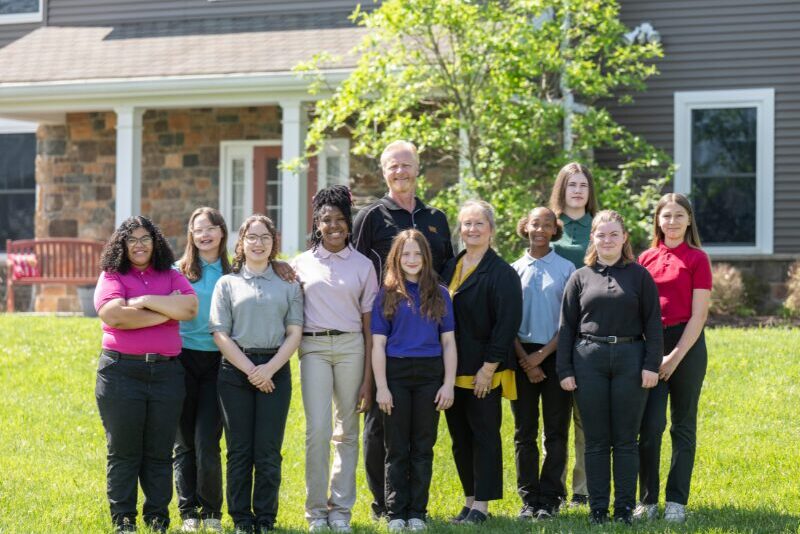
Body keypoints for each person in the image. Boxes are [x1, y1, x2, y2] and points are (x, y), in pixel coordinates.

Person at [352, 140, 454, 520]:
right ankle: (385, 504)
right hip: (381, 330)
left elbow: (446, 268)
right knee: (381, 424)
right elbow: (354, 267)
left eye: (406, 165)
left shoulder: (436, 217)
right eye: (393, 166)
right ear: (384, 172)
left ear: (417, 168)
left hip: (426, 334)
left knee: (419, 434)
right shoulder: (371, 216)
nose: (400, 172)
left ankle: (414, 504)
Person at [556, 209, 662, 525]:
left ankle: (624, 509)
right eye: (601, 234)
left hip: (631, 358)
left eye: (614, 234)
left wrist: (650, 365)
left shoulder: (640, 276)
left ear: (624, 237)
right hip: (589, 359)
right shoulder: (580, 277)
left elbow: (653, 324)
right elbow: (566, 327)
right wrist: (565, 370)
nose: (608, 240)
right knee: (598, 439)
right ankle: (598, 509)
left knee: (626, 439)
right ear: (593, 238)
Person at [94, 216, 199, 533]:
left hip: (166, 374)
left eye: (145, 239)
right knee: (124, 450)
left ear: (156, 243)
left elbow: (190, 309)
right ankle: (123, 518)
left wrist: (142, 302)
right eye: (132, 240)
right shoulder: (112, 275)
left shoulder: (170, 274)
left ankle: (157, 516)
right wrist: (166, 312)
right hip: (120, 372)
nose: (139, 245)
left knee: (159, 450)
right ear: (122, 245)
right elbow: (114, 316)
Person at [291, 186, 378, 533]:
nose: (334, 226)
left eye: (340, 220)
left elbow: (370, 326)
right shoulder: (299, 264)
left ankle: (340, 510)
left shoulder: (364, 265)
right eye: (327, 220)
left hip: (351, 348)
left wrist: (369, 379)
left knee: (348, 432)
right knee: (318, 431)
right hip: (312, 349)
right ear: (317, 223)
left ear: (349, 223)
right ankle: (315, 512)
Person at [209, 214, 303, 534]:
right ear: (242, 243)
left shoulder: (288, 283)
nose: (258, 243)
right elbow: (220, 333)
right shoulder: (227, 283)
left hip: (276, 369)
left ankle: (264, 518)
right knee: (239, 450)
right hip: (236, 371)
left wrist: (269, 370)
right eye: (252, 237)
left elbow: (295, 332)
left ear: (273, 242)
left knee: (267, 450)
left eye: (265, 237)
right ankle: (241, 519)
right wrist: (251, 370)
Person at [441, 200, 522, 524]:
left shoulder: (502, 273)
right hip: (451, 367)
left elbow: (507, 324)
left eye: (478, 224)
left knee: (484, 436)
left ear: (491, 229)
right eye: (466, 224)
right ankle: (469, 500)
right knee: (460, 438)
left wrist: (489, 368)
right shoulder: (451, 266)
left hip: (483, 370)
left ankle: (484, 506)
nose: (471, 230)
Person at [372, 230, 457, 532]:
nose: (411, 259)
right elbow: (378, 345)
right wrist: (381, 387)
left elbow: (448, 343)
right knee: (396, 447)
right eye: (405, 254)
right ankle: (396, 513)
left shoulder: (440, 293)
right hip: (396, 374)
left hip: (429, 375)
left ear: (425, 257)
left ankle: (417, 512)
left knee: (423, 446)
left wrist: (448, 384)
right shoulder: (386, 294)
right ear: (396, 258)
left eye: (417, 254)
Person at [634, 193, 712, 523]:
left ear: (689, 220)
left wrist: (675, 358)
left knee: (683, 427)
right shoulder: (645, 259)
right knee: (649, 427)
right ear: (658, 221)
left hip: (688, 345)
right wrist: (655, 356)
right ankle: (648, 500)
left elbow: (699, 316)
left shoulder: (698, 259)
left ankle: (676, 501)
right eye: (666, 216)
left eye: (679, 215)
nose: (673, 222)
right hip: (651, 344)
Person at [510, 207, 575, 521]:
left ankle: (550, 498)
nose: (540, 229)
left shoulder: (566, 269)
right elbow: (506, 323)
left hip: (556, 354)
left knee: (556, 431)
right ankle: (529, 498)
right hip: (520, 356)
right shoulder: (513, 270)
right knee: (524, 432)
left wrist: (542, 357)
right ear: (526, 226)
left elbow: (569, 323)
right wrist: (526, 359)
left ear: (554, 230)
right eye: (535, 223)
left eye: (547, 224)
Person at [173, 207, 232, 533]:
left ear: (222, 232)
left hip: (218, 362)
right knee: (183, 443)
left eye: (211, 228)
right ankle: (188, 512)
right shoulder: (177, 271)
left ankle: (212, 511)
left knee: (207, 440)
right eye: (198, 230)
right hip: (181, 360)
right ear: (191, 236)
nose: (205, 234)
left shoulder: (234, 271)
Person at [548, 161, 599, 506]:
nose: (578, 191)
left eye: (583, 185)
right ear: (561, 189)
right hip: (550, 328)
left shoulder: (600, 227)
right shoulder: (549, 226)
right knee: (553, 417)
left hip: (588, 329)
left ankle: (581, 490)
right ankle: (553, 485)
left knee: (584, 415)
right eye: (571, 185)